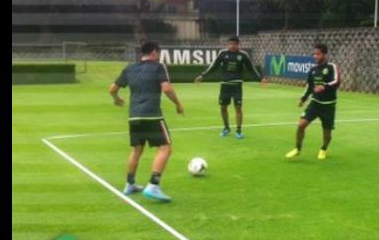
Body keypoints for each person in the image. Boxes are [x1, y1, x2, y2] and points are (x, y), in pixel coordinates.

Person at [110, 41, 184, 202]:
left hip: (134, 116)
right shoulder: (158, 67)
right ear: (154, 53)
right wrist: (178, 104)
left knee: (137, 149)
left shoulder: (130, 68)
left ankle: (130, 184)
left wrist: (116, 99)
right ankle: (153, 186)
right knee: (165, 148)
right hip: (152, 115)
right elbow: (167, 88)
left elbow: (112, 89)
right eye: (158, 53)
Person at [194, 36, 266, 139]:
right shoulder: (223, 54)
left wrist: (260, 78)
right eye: (230, 44)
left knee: (238, 108)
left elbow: (251, 68)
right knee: (223, 107)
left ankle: (239, 130)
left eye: (234, 44)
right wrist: (203, 75)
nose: (232, 46)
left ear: (238, 44)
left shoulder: (243, 55)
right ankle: (226, 128)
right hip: (225, 85)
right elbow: (214, 66)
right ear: (228, 44)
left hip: (237, 86)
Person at [285, 44, 340, 160]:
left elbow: (337, 82)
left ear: (325, 54)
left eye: (318, 54)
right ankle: (297, 148)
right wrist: (303, 99)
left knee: (327, 133)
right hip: (315, 103)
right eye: (314, 54)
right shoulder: (313, 70)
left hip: (328, 105)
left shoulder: (332, 67)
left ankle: (323, 149)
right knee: (301, 125)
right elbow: (310, 86)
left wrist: (324, 86)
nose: (315, 56)